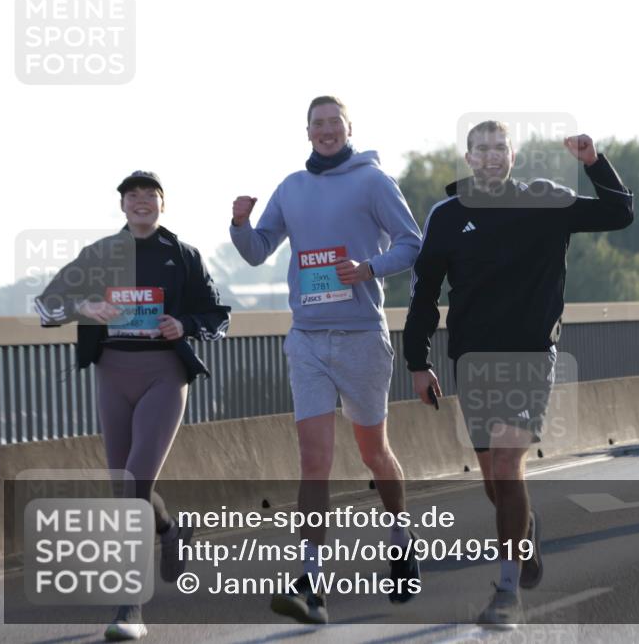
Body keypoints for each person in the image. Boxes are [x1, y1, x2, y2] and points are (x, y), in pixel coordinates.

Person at [403, 121, 634, 629]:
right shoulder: (447, 216)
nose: (489, 156)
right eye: (480, 149)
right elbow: (424, 293)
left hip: (530, 356)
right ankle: (524, 532)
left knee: (507, 466)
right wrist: (417, 362)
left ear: (513, 155)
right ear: (468, 159)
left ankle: (506, 591)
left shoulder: (544, 202)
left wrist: (593, 161)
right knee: (495, 481)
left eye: (498, 147)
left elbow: (619, 213)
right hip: (473, 360)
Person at [229, 96, 422, 624]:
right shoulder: (292, 186)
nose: (326, 131)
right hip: (308, 339)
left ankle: (401, 539)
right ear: (307, 131)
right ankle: (311, 583)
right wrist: (241, 224)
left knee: (373, 454)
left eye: (334, 122)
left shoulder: (374, 181)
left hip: (361, 335)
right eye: (318, 124)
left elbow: (413, 244)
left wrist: (370, 268)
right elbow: (256, 250)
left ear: (348, 128)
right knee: (313, 461)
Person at [35, 170, 231, 641]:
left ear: (164, 205)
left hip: (164, 374)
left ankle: (130, 608)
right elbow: (45, 308)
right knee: (126, 485)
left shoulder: (182, 255)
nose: (142, 202)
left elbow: (217, 316)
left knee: (135, 481)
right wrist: (86, 308)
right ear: (122, 205)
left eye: (151, 196)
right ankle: (168, 528)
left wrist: (182, 325)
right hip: (112, 374)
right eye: (133, 196)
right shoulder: (100, 254)